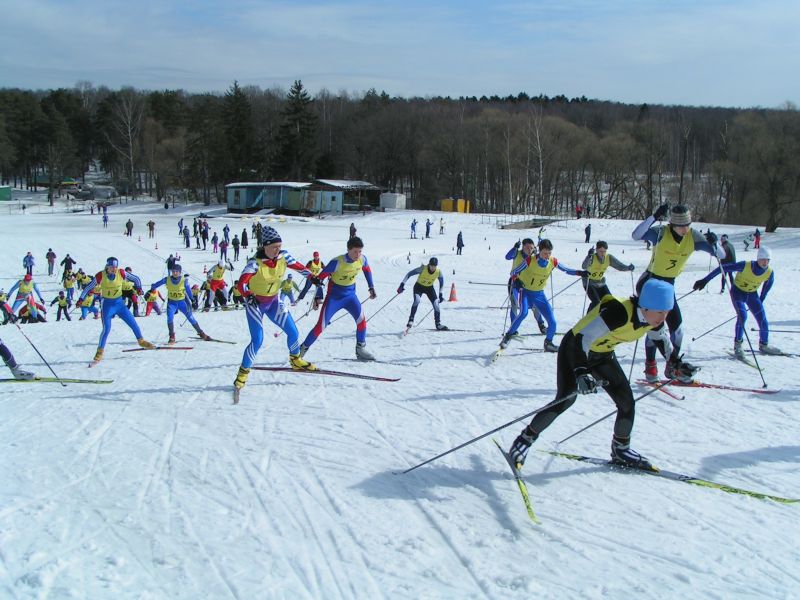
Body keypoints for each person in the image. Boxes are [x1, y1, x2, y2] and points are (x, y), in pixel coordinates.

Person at [506, 279, 675, 470]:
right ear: (646, 306)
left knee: (626, 401)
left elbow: (661, 340)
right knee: (566, 399)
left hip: (602, 354)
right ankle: (524, 440)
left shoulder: (653, 320)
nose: (664, 317)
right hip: (574, 349)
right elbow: (583, 338)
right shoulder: (619, 312)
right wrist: (582, 372)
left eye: (667, 311)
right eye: (660, 311)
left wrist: (676, 363)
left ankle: (621, 449)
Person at [631, 204, 725, 383]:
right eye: (681, 226)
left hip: (668, 287)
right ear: (672, 225)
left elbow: (720, 255)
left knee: (678, 331)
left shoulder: (693, 236)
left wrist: (715, 242)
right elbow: (636, 235)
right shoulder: (661, 232)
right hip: (650, 283)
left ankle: (671, 366)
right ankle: (651, 365)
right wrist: (654, 217)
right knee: (655, 328)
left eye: (687, 225)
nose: (685, 229)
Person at [232, 227, 318, 396]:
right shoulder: (254, 263)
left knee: (293, 332)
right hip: (256, 304)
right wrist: (248, 295)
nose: (277, 250)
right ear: (265, 246)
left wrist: (312, 277)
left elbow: (300, 267)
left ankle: (295, 360)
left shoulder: (283, 257)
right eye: (274, 247)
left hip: (273, 302)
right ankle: (242, 375)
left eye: (279, 246)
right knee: (257, 340)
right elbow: (241, 284)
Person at [298, 236, 377, 362]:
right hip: (334, 298)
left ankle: (360, 349)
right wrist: (317, 298)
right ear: (348, 250)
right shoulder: (337, 262)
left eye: (360, 251)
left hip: (350, 297)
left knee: (361, 321)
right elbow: (319, 279)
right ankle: (301, 351)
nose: (358, 255)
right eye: (355, 251)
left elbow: (367, 270)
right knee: (321, 326)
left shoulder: (362, 259)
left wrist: (371, 287)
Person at [693, 246, 781, 357]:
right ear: (758, 258)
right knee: (742, 316)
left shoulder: (769, 272)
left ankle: (764, 345)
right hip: (738, 292)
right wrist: (705, 280)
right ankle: (738, 344)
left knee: (762, 319)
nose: (765, 262)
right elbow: (722, 268)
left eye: (768, 260)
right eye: (763, 259)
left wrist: (761, 300)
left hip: (752, 295)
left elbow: (766, 288)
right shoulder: (746, 265)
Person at [501, 239, 584, 352]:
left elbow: (566, 270)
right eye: (545, 253)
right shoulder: (530, 260)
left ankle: (548, 343)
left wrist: (580, 272)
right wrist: (516, 280)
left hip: (539, 294)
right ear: (539, 251)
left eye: (549, 253)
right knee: (523, 313)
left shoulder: (552, 261)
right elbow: (513, 272)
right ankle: (508, 336)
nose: (547, 256)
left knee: (552, 322)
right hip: (525, 292)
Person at [77, 257, 155, 364]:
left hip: (119, 305)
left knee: (133, 323)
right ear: (107, 267)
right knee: (106, 329)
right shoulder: (100, 275)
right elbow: (88, 287)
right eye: (111, 267)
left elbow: (136, 279)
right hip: (107, 306)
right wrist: (81, 299)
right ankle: (100, 351)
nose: (114, 269)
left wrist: (139, 288)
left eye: (115, 267)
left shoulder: (121, 273)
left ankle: (141, 341)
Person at [150, 264, 210, 344]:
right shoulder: (167, 279)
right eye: (173, 271)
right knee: (170, 318)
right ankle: (172, 336)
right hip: (172, 303)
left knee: (190, 317)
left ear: (180, 272)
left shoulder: (184, 280)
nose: (175, 273)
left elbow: (188, 290)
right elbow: (158, 283)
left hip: (182, 302)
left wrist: (193, 300)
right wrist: (153, 287)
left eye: (177, 271)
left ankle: (201, 333)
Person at [505, 239, 547, 334]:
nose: (529, 250)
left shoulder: (534, 257)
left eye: (531, 248)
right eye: (527, 247)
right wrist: (514, 248)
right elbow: (507, 257)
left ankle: (541, 325)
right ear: (523, 247)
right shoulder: (517, 253)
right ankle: (513, 328)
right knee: (515, 304)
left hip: (528, 284)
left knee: (535, 305)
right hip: (515, 282)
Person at [581, 241, 635, 313]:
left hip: (600, 283)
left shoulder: (608, 257)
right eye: (601, 251)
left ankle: (604, 317)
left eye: (604, 251)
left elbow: (620, 266)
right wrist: (588, 256)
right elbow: (584, 266)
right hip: (589, 282)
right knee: (596, 302)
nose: (603, 253)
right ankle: (588, 317)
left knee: (610, 301)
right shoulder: (592, 257)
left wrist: (628, 268)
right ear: (596, 250)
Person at [398, 257, 448, 331]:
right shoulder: (422, 268)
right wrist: (402, 284)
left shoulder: (438, 272)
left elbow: (441, 282)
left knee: (436, 304)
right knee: (417, 300)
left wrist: (440, 294)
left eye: (434, 266)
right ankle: (411, 320)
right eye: (431, 265)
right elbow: (409, 274)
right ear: (429, 264)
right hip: (418, 287)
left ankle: (438, 324)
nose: (432, 267)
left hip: (429, 288)